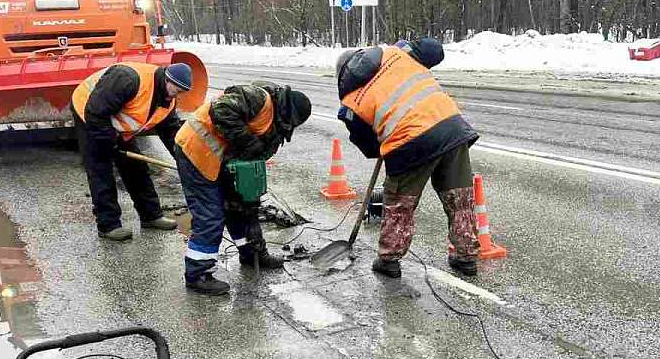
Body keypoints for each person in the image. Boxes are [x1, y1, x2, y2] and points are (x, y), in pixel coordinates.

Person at [335, 38, 480, 278]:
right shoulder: (395, 54)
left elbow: (369, 147)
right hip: (452, 127)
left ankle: (389, 260)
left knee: (400, 204)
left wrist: (381, 140)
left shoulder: (351, 101)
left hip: (410, 143)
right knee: (460, 199)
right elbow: (434, 49)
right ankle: (466, 259)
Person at [175, 82, 312, 295]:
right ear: (285, 110)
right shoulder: (259, 98)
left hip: (225, 161)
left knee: (240, 208)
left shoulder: (277, 125)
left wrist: (249, 196)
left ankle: (252, 253)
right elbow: (221, 110)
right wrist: (247, 142)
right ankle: (198, 274)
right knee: (210, 215)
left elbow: (256, 158)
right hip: (196, 151)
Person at [71, 62, 192, 241]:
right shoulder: (129, 79)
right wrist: (109, 141)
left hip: (116, 122)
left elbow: (172, 133)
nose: (177, 94)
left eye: (182, 91)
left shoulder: (168, 101)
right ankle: (108, 225)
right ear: (167, 78)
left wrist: (186, 160)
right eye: (176, 89)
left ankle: (151, 216)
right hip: (90, 113)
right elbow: (95, 112)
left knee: (136, 168)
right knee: (101, 169)